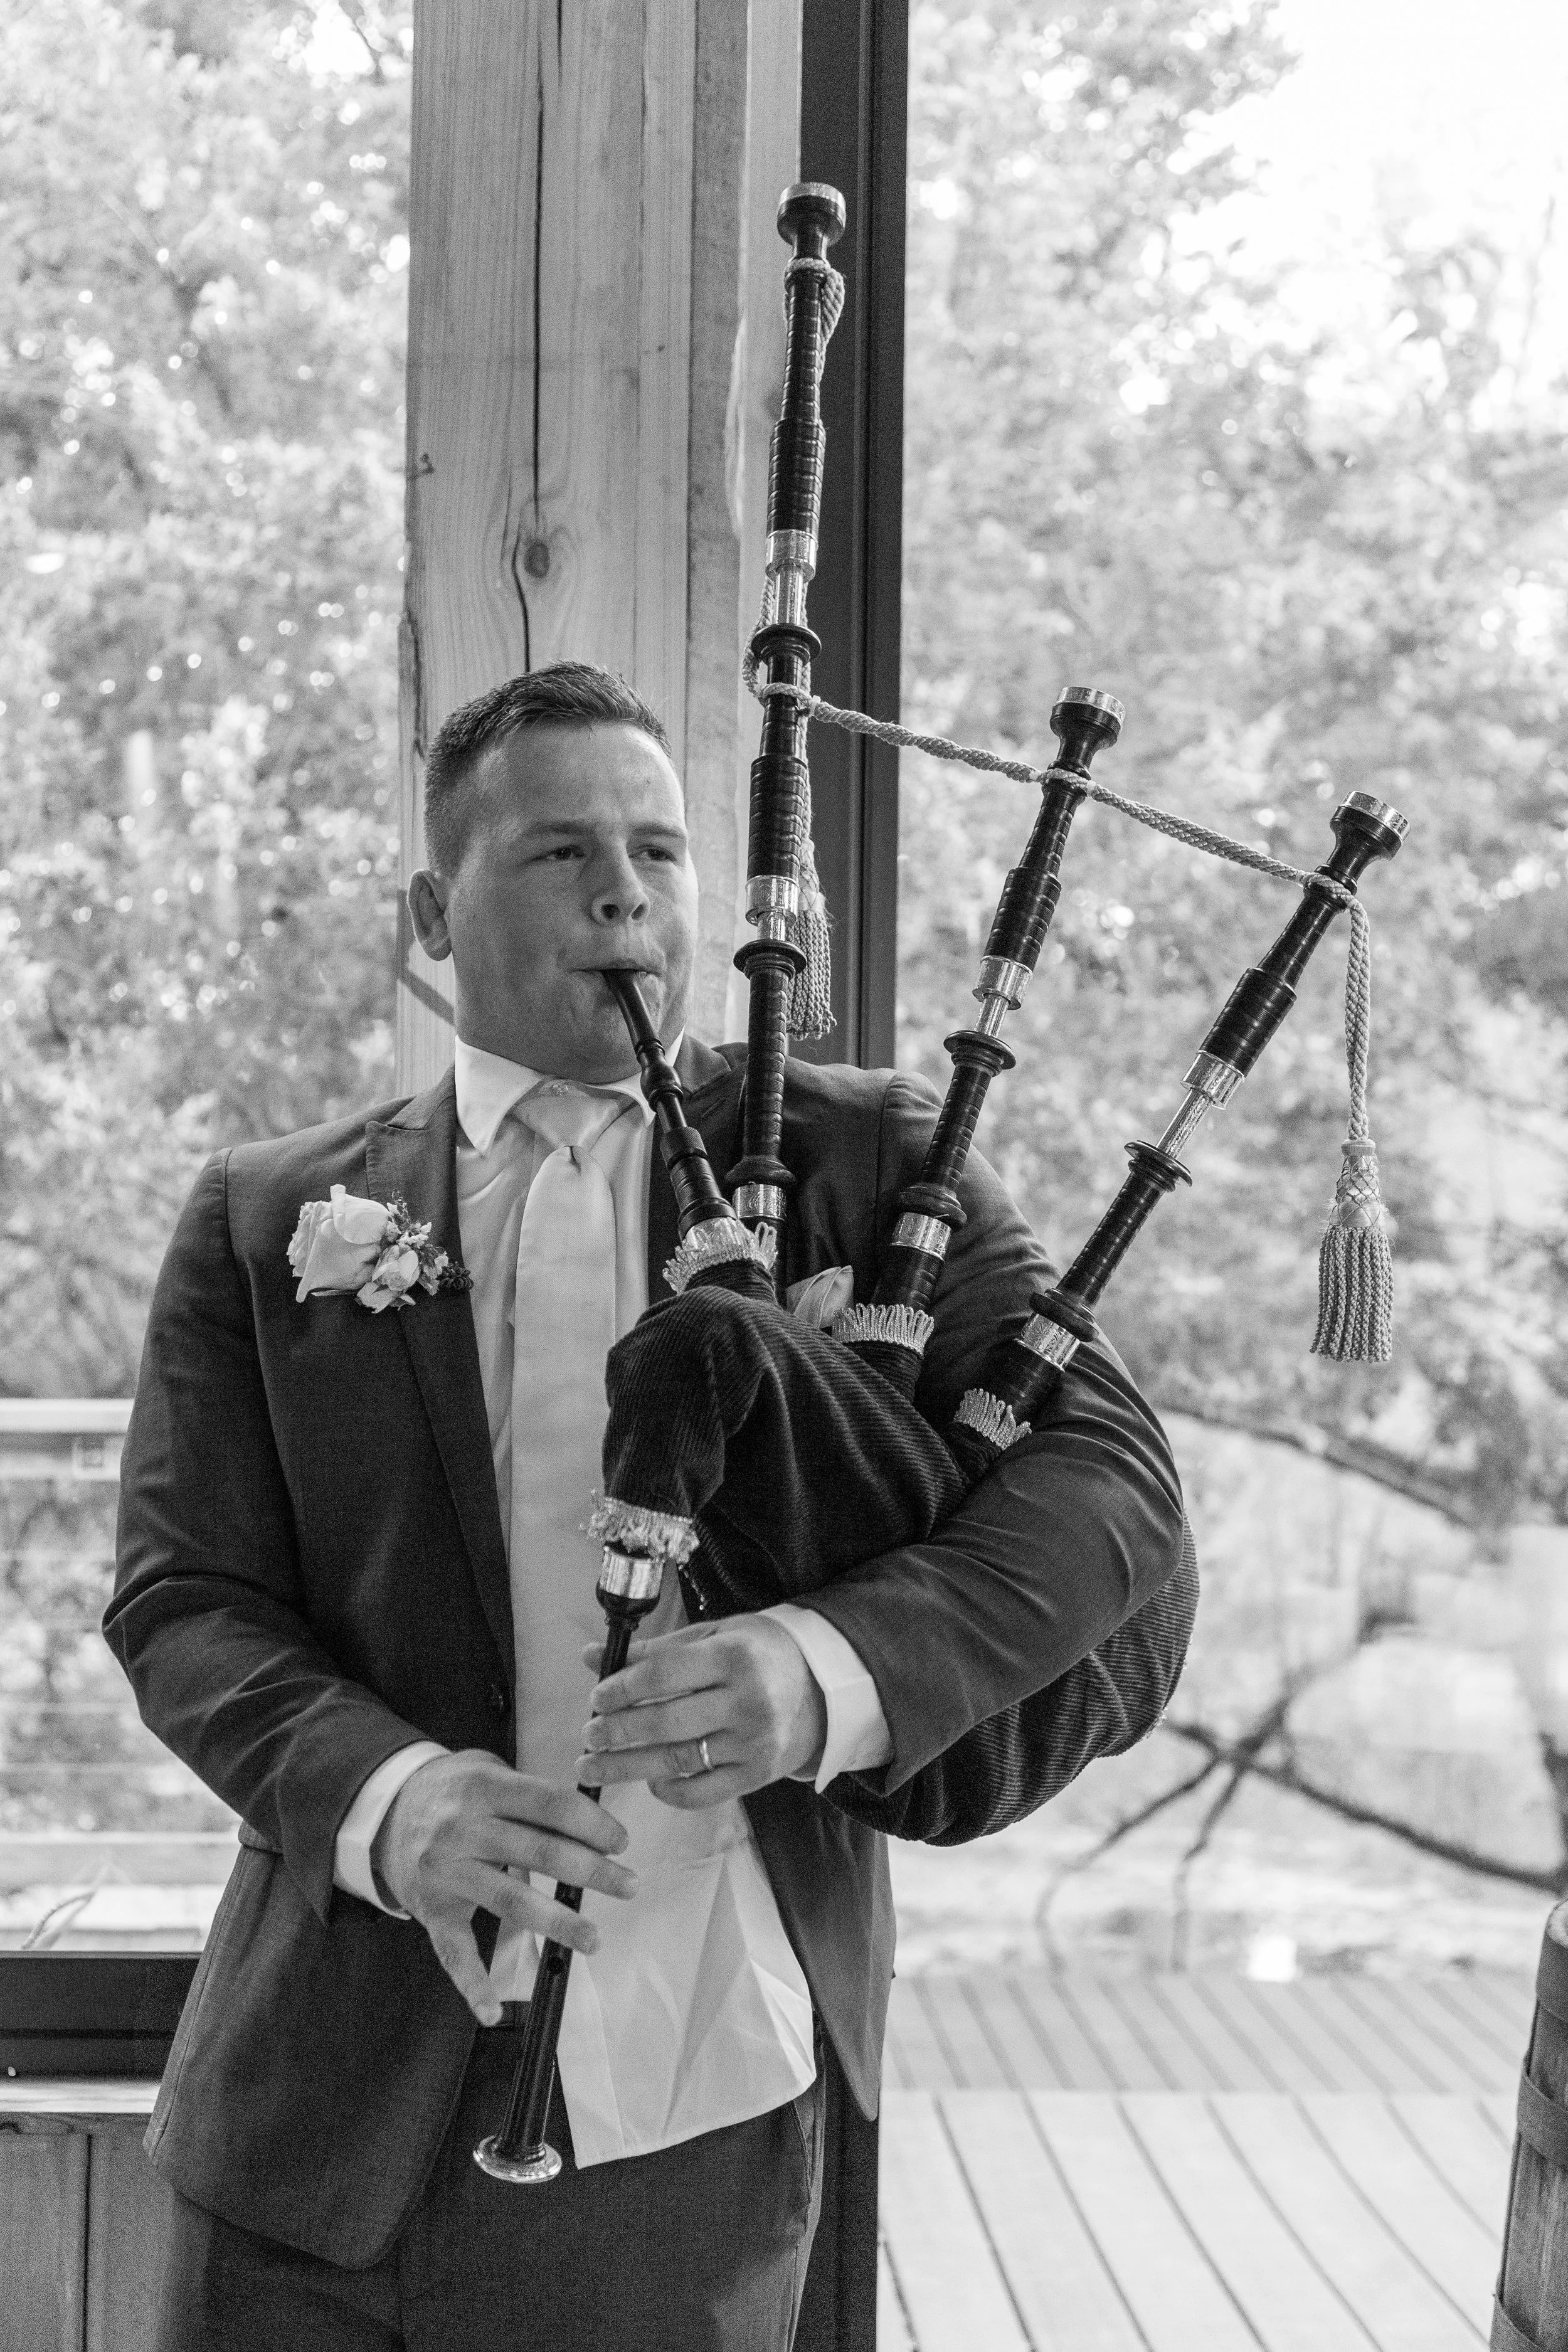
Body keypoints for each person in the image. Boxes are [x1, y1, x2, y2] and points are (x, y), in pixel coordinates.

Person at [107, 661, 1189, 2352]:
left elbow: (1114, 1493)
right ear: (428, 911)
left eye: (661, 848)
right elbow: (183, 1601)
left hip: (699, 2069)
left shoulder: (868, 1159)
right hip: (311, 2103)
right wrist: (396, 1800)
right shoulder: (267, 1214)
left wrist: (822, 1669)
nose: (626, 887)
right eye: (559, 851)